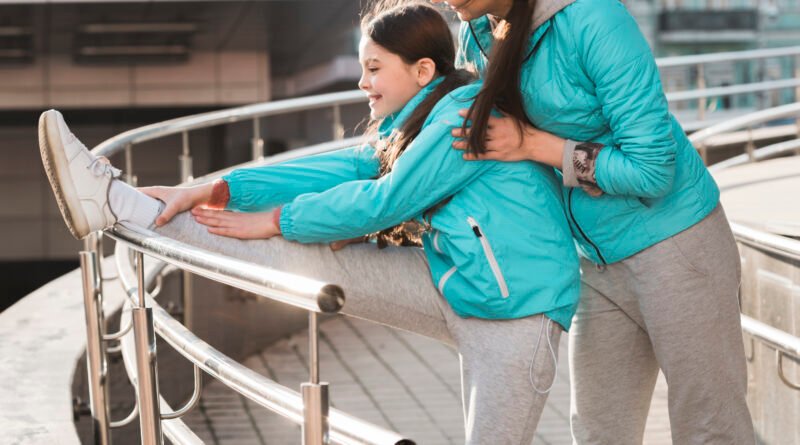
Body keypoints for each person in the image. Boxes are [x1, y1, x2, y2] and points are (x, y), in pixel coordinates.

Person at [38, 3, 580, 443]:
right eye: (362, 68)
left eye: (375, 68)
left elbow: (383, 203)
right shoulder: (413, 123)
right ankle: (116, 202)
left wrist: (277, 219)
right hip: (456, 283)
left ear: (422, 71)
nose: (363, 83)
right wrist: (217, 189)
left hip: (520, 316)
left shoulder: (462, 118)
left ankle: (114, 202)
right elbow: (342, 167)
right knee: (299, 254)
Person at [434, 0, 756, 443]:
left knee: (711, 430)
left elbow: (652, 170)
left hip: (677, 249)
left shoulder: (594, 18)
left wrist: (535, 145)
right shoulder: (477, 35)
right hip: (594, 260)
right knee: (596, 435)